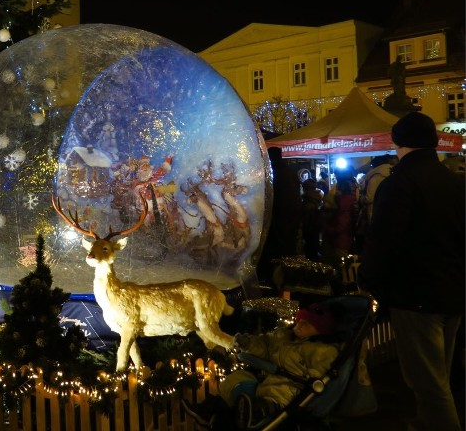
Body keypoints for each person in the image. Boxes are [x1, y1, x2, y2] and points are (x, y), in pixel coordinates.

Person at [358, 111, 465, 431]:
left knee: (429, 384)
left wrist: (368, 279)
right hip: (454, 292)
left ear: (399, 142)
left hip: (417, 295)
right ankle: (424, 423)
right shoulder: (455, 182)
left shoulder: (400, 183)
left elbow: (385, 240)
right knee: (439, 375)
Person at [185, 302, 341, 429]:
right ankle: (211, 411)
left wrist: (310, 382)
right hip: (269, 376)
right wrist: (249, 343)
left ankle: (259, 412)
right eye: (300, 320)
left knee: (277, 389)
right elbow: (265, 346)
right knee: (236, 378)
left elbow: (321, 372)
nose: (299, 325)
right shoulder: (284, 336)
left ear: (320, 331)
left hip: (293, 384)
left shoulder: (322, 350)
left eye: (306, 324)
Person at [256, 147, 302, 283]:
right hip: (289, 221)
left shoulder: (273, 173)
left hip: (276, 222)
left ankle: (275, 285)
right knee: (286, 256)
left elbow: (269, 199)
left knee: (274, 259)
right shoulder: (290, 173)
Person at [319, 170, 359, 261]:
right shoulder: (350, 201)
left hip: (338, 239)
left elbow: (340, 224)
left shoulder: (340, 203)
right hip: (345, 238)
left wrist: (328, 228)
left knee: (338, 262)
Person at [299, 178, 324, 260]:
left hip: (309, 232)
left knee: (310, 253)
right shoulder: (317, 200)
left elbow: (306, 221)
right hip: (316, 231)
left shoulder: (307, 202)